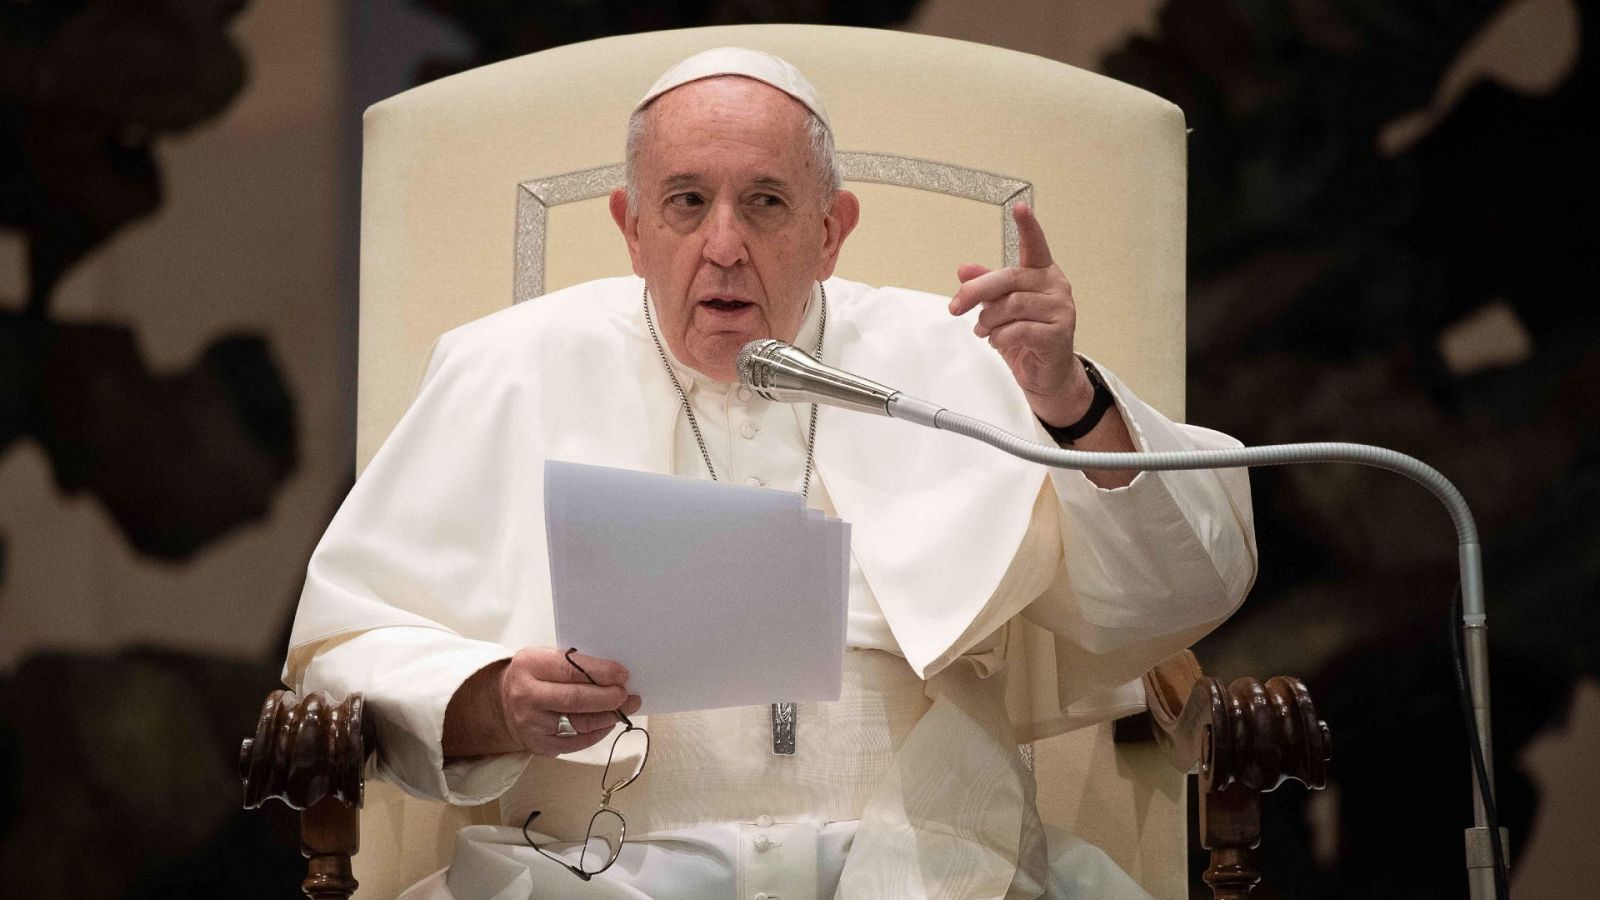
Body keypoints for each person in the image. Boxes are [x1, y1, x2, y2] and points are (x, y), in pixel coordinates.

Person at [284, 48, 1257, 900]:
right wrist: (492, 699)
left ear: (832, 229)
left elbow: (1182, 588)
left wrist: (1069, 398)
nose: (722, 244)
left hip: (938, 869)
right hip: (600, 871)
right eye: (686, 201)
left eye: (765, 202)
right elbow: (344, 643)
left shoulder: (966, 355)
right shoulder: (506, 369)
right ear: (631, 226)